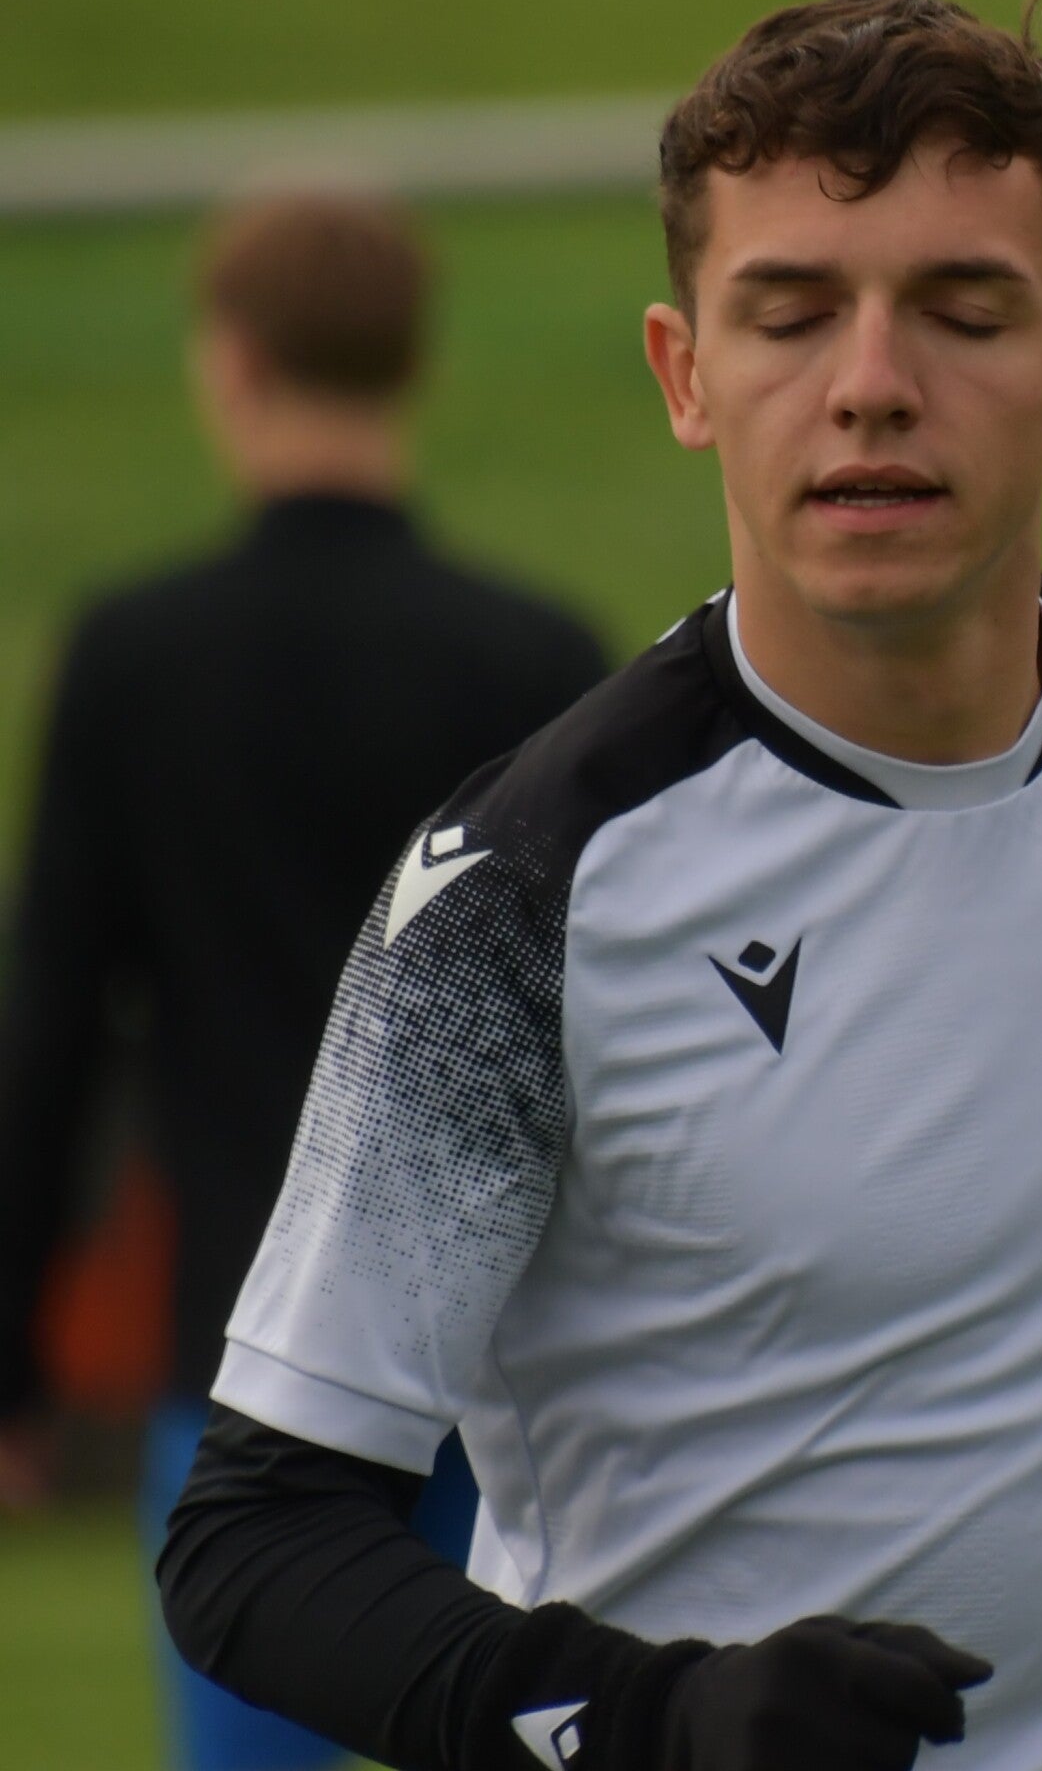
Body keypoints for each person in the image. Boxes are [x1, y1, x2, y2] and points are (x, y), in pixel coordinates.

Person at [157, 0, 1042, 1771]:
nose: (873, 381)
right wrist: (658, 1718)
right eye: (791, 312)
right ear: (685, 375)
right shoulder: (527, 896)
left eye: (965, 310)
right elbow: (255, 1541)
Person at [0, 190, 608, 1771]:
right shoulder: (534, 662)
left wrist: (13, 1357)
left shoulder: (135, 660)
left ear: (230, 361)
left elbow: (50, 1028)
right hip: (495, 1366)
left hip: (241, 1362)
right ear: (415, 360)